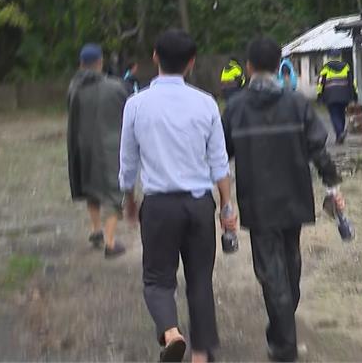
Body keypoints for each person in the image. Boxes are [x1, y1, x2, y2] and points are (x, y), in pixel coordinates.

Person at [222, 37, 344, 362]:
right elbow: (319, 148)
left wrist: (222, 200)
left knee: (272, 274)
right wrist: (333, 185)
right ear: (279, 65)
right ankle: (282, 335)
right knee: (290, 267)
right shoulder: (298, 104)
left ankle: (284, 344)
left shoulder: (235, 108)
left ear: (248, 68)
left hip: (258, 202)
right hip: (294, 197)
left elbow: (219, 156)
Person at [119, 29, 237, 363]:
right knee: (200, 280)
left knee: (158, 279)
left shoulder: (136, 105)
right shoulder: (206, 103)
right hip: (199, 205)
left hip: (158, 206)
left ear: (154, 56)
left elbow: (127, 165)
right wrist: (226, 207)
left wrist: (129, 201)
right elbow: (219, 164)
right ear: (191, 63)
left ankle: (171, 332)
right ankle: (200, 355)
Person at [67, 43, 129, 258]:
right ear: (100, 62)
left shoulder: (74, 88)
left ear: (81, 64)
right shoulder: (115, 87)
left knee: (91, 189)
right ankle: (110, 243)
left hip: (83, 147)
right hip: (110, 148)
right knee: (114, 193)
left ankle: (96, 230)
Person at [316, 50, 355, 144]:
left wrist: (319, 95)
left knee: (334, 115)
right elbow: (352, 82)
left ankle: (340, 132)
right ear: (339, 56)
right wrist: (354, 95)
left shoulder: (326, 68)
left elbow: (321, 83)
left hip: (330, 96)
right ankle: (339, 136)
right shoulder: (346, 67)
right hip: (344, 95)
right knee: (341, 114)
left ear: (330, 57)